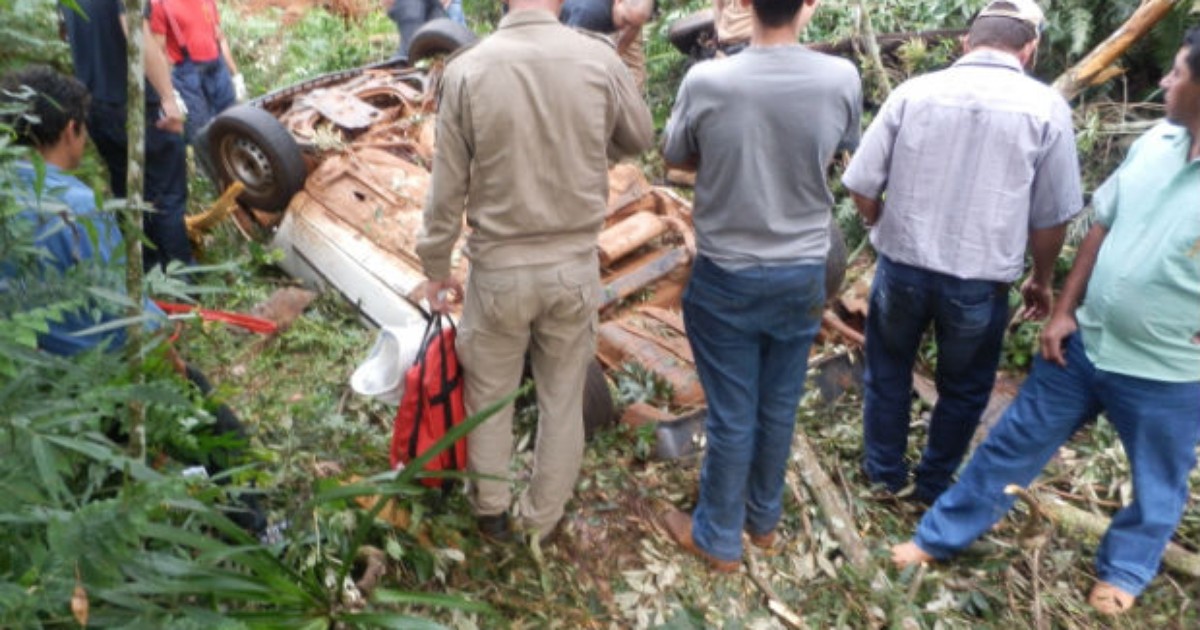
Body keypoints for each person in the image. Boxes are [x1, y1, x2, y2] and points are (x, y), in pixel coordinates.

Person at [891, 27, 1200, 616]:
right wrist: (1062, 311)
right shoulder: (1156, 142)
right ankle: (938, 537)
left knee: (1159, 479)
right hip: (1086, 344)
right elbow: (1101, 226)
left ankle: (1127, 569)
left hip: (1171, 371)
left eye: (1178, 73)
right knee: (1011, 445)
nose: (1165, 79)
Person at [416, 0, 652, 542]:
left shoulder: (468, 70)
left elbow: (445, 189)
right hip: (572, 267)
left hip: (498, 271)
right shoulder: (597, 59)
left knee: (489, 394)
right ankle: (542, 519)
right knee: (562, 397)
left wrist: (435, 266)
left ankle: (492, 511)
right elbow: (639, 137)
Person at [2, 66, 266, 535]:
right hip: (107, 375)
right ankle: (259, 531)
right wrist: (175, 367)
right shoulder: (72, 206)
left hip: (34, 387)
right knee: (220, 432)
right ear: (71, 130)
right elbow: (124, 312)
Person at [841, 0, 1083, 505]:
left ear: (966, 43)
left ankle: (884, 474)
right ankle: (932, 485)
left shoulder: (915, 92)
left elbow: (862, 183)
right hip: (978, 282)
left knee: (887, 370)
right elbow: (1051, 216)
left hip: (902, 268)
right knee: (967, 388)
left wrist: (877, 221)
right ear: (1030, 49)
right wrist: (1041, 277)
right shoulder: (1046, 109)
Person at [660, 0, 862, 571]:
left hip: (727, 273)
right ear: (810, 5)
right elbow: (840, 147)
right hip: (803, 270)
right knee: (777, 403)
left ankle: (718, 537)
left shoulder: (707, 80)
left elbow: (676, 153)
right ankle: (763, 520)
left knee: (732, 412)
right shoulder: (840, 77)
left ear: (745, 6)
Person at [60, 0, 194, 271]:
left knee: (129, 191)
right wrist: (168, 98)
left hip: (95, 104)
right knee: (165, 195)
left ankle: (145, 270)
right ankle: (181, 282)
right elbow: (135, 32)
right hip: (135, 105)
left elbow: (64, 32)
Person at [147, 0, 244, 143]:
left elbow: (220, 39)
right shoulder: (159, 4)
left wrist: (236, 75)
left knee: (233, 119)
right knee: (201, 131)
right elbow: (159, 52)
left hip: (217, 66)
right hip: (187, 74)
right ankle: (206, 164)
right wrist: (169, 94)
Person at [560, 0, 654, 90]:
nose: (627, 29)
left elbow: (631, 31)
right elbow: (567, 54)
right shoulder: (590, 13)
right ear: (618, 1)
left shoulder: (632, 15)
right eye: (625, 20)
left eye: (634, 26)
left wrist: (615, 57)